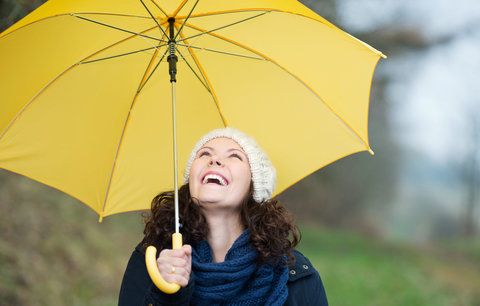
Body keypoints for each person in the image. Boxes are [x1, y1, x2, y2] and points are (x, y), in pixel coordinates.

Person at [118, 127, 328, 305]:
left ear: (255, 186)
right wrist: (167, 295)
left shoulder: (296, 275)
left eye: (234, 156)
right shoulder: (153, 264)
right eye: (204, 154)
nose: (215, 160)